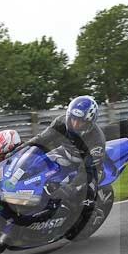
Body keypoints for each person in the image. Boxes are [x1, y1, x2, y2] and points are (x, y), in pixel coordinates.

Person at [24, 95, 106, 238]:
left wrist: (71, 188)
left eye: (80, 121)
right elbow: (42, 139)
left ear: (89, 122)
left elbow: (86, 171)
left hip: (89, 168)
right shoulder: (61, 122)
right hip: (65, 154)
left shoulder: (96, 141)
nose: (74, 124)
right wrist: (21, 149)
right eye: (72, 118)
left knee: (82, 197)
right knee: (36, 166)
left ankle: (89, 217)